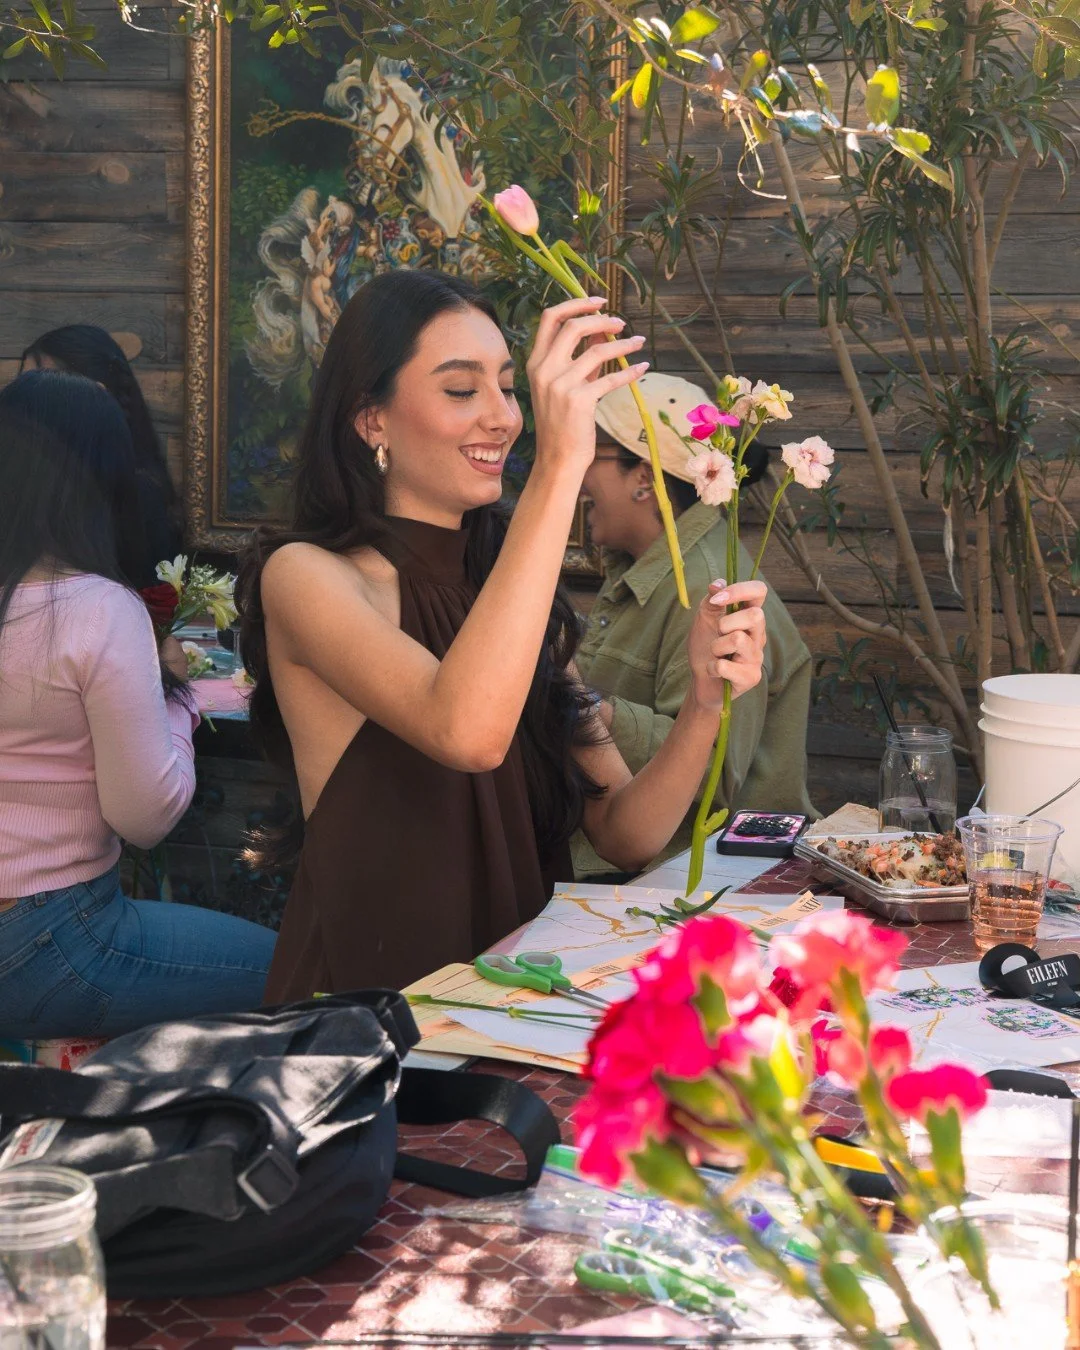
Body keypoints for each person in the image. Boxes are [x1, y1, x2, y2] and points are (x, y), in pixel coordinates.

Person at [237, 270, 770, 1000]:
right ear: (372, 420)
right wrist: (561, 465)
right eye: (462, 389)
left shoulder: (507, 587)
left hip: (517, 1006)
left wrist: (706, 702)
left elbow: (625, 834)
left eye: (509, 388)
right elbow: (466, 732)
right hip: (375, 1014)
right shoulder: (308, 577)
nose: (504, 418)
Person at [0, 370, 276, 1041]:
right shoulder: (97, 608)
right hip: (48, 940)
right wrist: (177, 702)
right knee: (294, 968)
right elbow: (145, 816)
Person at [573, 372, 815, 878]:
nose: (576, 475)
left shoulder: (707, 594)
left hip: (681, 890)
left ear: (643, 478)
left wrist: (585, 709)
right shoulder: (646, 572)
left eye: (590, 453)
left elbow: (710, 777)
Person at [21, 324, 185, 588]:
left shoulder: (139, 494)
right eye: (22, 386)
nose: (24, 401)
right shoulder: (26, 479)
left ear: (94, 394)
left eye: (41, 386)